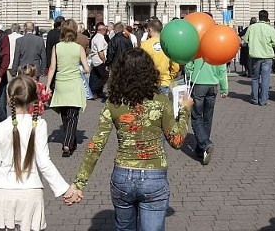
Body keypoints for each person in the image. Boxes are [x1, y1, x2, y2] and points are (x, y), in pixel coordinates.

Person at [71, 48, 193, 230]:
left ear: (119, 74)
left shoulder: (113, 103)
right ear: (150, 73)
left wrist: (79, 183)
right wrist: (185, 111)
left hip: (123, 176)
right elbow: (176, 141)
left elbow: (95, 145)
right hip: (154, 177)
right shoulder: (160, 101)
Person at [0, 74, 80, 230]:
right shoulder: (39, 124)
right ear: (33, 99)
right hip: (31, 191)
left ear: (8, 96)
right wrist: (66, 189)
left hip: (3, 191)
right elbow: (44, 163)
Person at [45, 19, 90, 157]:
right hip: (74, 84)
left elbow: (52, 67)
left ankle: (71, 141)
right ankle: (67, 144)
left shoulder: (56, 47)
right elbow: (87, 69)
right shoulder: (78, 48)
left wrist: (47, 86)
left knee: (65, 114)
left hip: (60, 83)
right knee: (73, 115)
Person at [186, 57, 228, 165]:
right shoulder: (217, 48)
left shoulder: (197, 48)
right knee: (207, 118)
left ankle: (205, 144)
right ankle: (201, 149)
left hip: (198, 83)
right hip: (213, 85)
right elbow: (222, 68)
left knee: (196, 117)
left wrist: (188, 77)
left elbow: (188, 66)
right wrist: (224, 88)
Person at [243, 10, 275, 106]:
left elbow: (245, 40)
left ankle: (255, 98)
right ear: (267, 17)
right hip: (267, 56)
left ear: (259, 17)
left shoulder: (252, 27)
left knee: (255, 78)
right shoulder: (270, 29)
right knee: (265, 79)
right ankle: (264, 100)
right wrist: (269, 44)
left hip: (255, 56)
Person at [140, 18, 180, 96]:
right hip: (165, 81)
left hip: (150, 82)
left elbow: (141, 64)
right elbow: (175, 66)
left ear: (149, 29)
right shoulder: (169, 44)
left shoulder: (144, 44)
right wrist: (171, 77)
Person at [89, 22, 110, 100]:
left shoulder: (95, 37)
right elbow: (100, 51)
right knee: (105, 76)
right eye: (105, 30)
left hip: (95, 60)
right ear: (102, 30)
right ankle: (94, 90)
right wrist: (104, 60)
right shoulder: (100, 38)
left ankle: (99, 92)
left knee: (98, 76)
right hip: (99, 60)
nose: (106, 31)